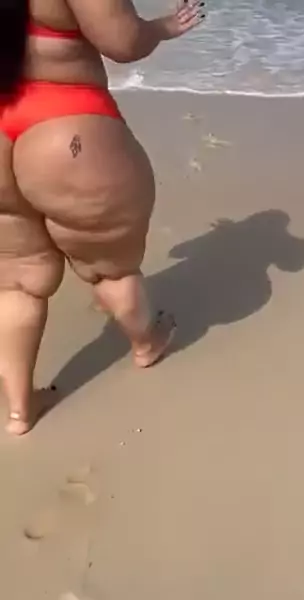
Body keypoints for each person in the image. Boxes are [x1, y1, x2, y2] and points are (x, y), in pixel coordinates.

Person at [0, 0, 205, 436]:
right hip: (63, 122)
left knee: (14, 277)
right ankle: (146, 343)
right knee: (109, 265)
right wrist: (164, 27)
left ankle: (20, 409)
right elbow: (123, 41)